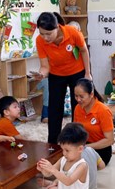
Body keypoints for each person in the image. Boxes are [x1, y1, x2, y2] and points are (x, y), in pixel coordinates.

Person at [35, 12, 92, 144]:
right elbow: (44, 66)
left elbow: (84, 51)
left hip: (76, 72)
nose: (45, 37)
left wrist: (87, 73)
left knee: (77, 107)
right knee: (54, 109)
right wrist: (41, 74)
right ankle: (53, 144)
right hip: (56, 74)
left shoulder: (72, 32)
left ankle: (76, 140)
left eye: (48, 34)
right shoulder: (40, 41)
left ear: (57, 27)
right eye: (42, 34)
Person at [33, 123, 90, 189]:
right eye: (62, 149)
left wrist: (52, 169)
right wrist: (43, 169)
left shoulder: (82, 165)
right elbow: (48, 174)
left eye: (67, 150)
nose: (64, 153)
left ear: (80, 149)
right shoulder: (63, 159)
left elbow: (68, 181)